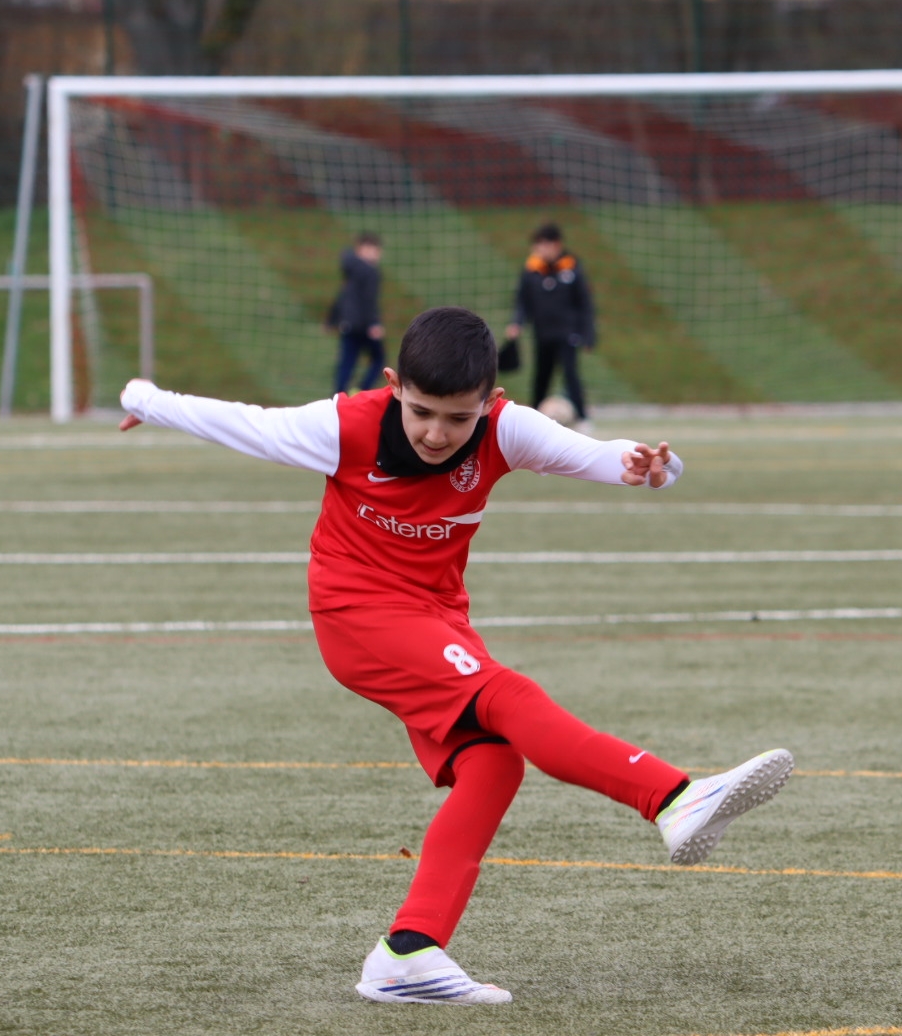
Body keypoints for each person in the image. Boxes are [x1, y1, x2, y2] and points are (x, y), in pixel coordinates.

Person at [116, 306, 792, 1007]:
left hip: (436, 616)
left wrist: (655, 467)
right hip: (357, 614)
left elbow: (609, 458)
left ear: (490, 403)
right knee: (507, 696)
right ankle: (672, 798)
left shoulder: (507, 428)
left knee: (493, 763)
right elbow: (238, 422)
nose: (437, 433)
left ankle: (407, 954)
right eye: (421, 412)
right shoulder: (341, 426)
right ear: (393, 385)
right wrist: (144, 397)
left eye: (457, 418)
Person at [506, 222, 594, 429]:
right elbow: (523, 301)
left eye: (543, 244)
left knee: (571, 375)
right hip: (543, 333)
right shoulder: (532, 270)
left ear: (556, 245)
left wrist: (588, 334)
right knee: (541, 376)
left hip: (568, 333)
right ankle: (533, 417)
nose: (539, 249)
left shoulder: (571, 267)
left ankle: (582, 417)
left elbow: (584, 304)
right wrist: (517, 323)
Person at [327, 231, 385, 394]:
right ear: (361, 249)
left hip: (348, 324)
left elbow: (343, 296)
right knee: (379, 359)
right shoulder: (370, 271)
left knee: (347, 362)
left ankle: (338, 398)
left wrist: (332, 319)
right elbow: (368, 300)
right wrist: (374, 323)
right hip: (364, 325)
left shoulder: (351, 269)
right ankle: (361, 392)